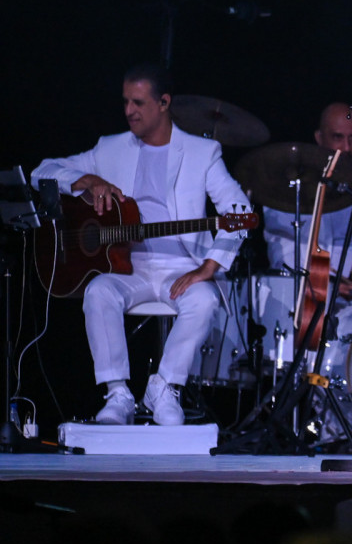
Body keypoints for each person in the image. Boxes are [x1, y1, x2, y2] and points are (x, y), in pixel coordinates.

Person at [32, 63, 250, 425]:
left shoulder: (201, 153)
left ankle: (165, 387)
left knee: (206, 299)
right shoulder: (110, 148)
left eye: (138, 103)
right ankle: (117, 394)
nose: (128, 111)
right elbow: (43, 171)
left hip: (180, 267)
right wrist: (86, 179)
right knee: (98, 291)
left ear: (164, 103)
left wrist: (209, 267)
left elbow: (239, 209)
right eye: (125, 102)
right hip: (125, 266)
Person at [261, 103, 352, 297]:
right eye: (337, 137)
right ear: (319, 138)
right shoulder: (290, 191)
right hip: (310, 299)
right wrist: (324, 285)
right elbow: (282, 256)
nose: (346, 148)